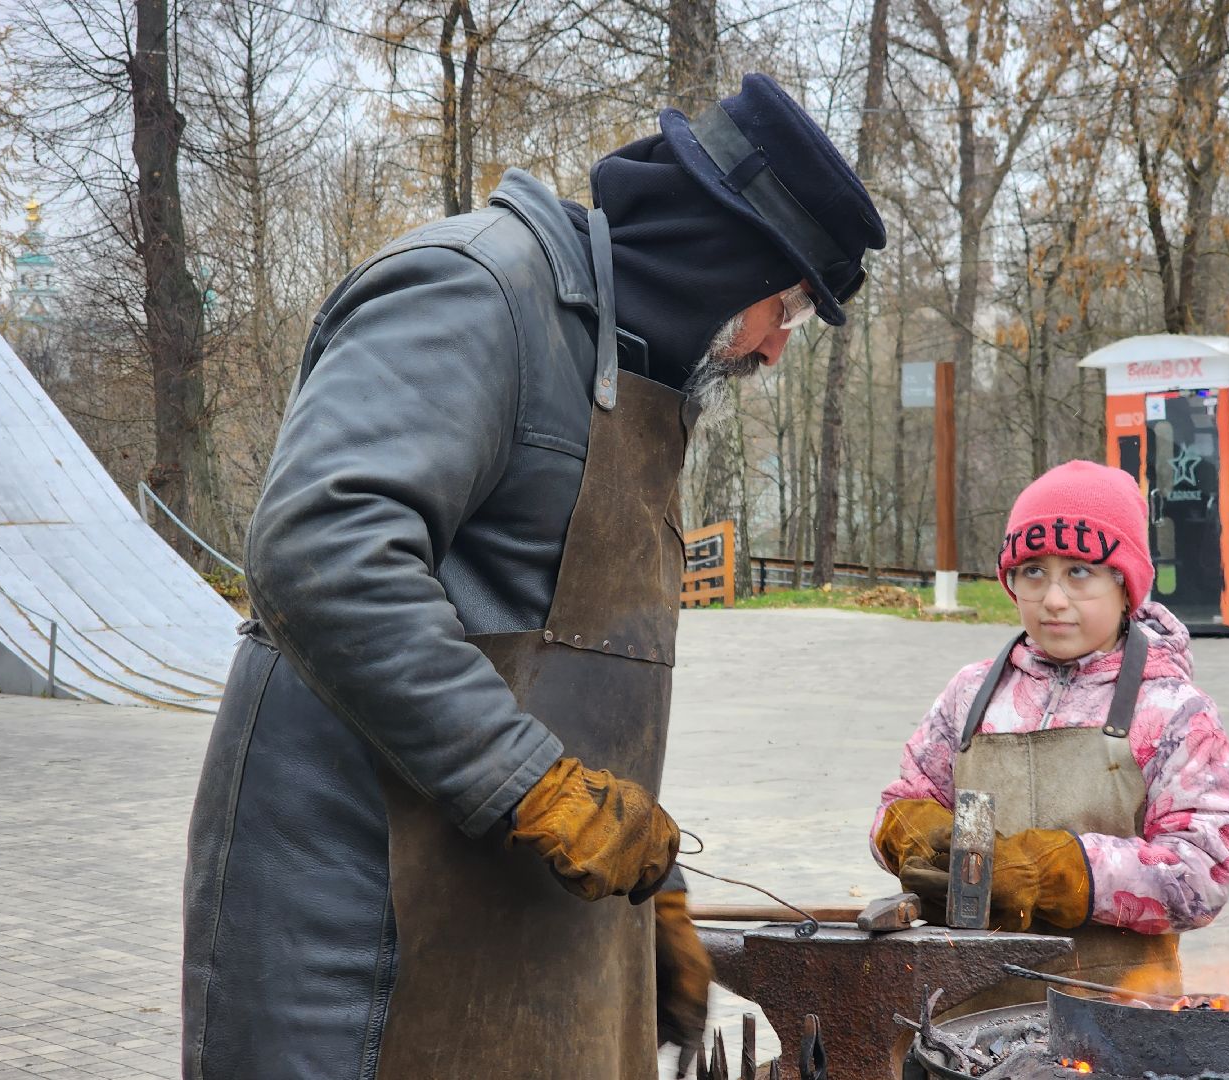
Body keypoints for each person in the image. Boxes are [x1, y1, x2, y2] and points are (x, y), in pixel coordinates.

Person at [182, 73, 885, 1080]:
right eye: (786, 308)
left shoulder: (628, 373)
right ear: (721, 257)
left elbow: (561, 666)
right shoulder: (477, 290)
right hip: (351, 942)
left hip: (500, 936)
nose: (776, 348)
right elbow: (321, 546)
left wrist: (653, 897)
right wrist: (532, 785)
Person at [869, 460, 1229, 1015]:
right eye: (1033, 571)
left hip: (1122, 1019)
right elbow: (900, 803)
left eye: (1079, 573)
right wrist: (908, 832)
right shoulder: (972, 695)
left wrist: (1062, 873)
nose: (1054, 598)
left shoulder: (1173, 712)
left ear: (1125, 587)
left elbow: (1202, 874)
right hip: (968, 1021)